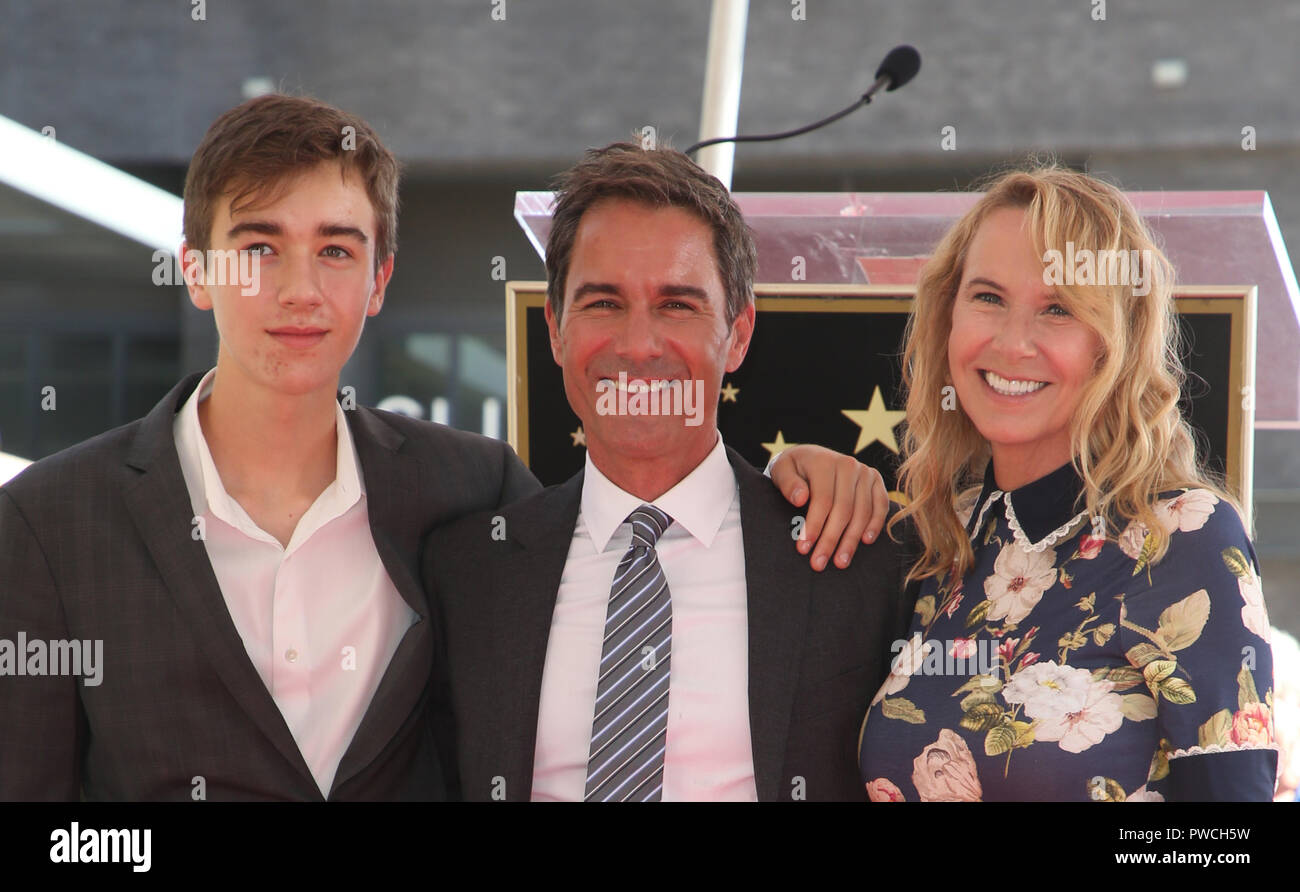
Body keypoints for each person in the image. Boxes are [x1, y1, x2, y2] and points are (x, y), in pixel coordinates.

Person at [0, 96, 882, 801]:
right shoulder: (50, 521)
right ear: (194, 269)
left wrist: (800, 471)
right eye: (259, 247)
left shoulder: (467, 496)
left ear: (379, 279)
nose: (300, 290)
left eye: (337, 250)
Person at [423, 143, 918, 802]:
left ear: (738, 334)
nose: (638, 345)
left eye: (677, 305)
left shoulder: (854, 557)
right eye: (603, 303)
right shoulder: (470, 573)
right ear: (555, 330)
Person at [858, 165, 1278, 801]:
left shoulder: (1185, 536)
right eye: (988, 297)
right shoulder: (935, 539)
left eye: (1057, 309)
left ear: (1113, 346)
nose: (1012, 342)